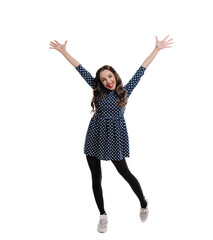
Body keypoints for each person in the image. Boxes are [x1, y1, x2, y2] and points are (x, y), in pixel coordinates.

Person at [49, 35, 173, 233]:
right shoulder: (98, 90)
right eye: (103, 78)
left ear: (115, 76)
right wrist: (64, 52)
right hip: (95, 135)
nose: (107, 81)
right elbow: (80, 69)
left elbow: (141, 70)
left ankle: (143, 202)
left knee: (125, 173)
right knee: (95, 177)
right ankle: (102, 215)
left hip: (115, 136)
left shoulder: (125, 90)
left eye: (110, 76)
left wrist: (156, 49)